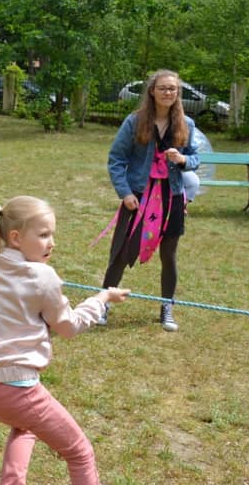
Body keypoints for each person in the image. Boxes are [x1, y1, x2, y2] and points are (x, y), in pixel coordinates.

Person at [0, 196, 129, 485]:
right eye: (43, 235)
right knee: (80, 452)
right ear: (15, 238)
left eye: (52, 234)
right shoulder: (43, 277)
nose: (51, 243)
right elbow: (69, 327)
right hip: (17, 392)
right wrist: (101, 298)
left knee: (25, 428)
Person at [100, 70, 199, 332]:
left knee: (169, 255)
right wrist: (125, 193)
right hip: (139, 196)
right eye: (163, 88)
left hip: (172, 197)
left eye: (173, 89)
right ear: (152, 91)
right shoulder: (134, 122)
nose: (168, 93)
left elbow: (196, 159)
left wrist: (183, 160)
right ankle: (102, 304)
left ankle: (167, 308)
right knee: (121, 252)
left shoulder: (186, 124)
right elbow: (116, 159)